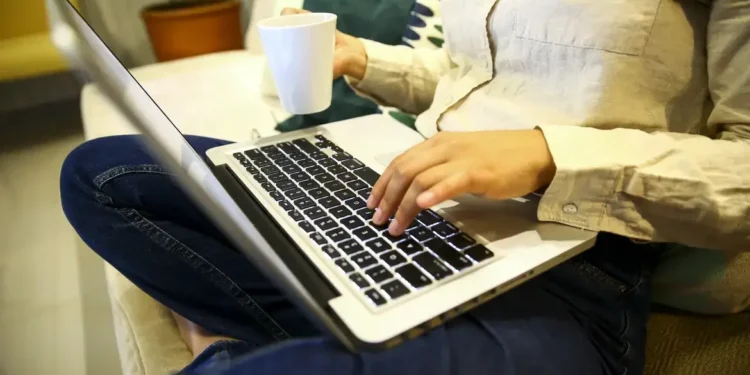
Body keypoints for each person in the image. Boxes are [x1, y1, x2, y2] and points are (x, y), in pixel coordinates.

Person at [61, 1, 750, 374]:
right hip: (405, 187)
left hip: (574, 269)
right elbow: (468, 71)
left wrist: (548, 154)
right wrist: (368, 59)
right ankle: (362, 322)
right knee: (103, 178)